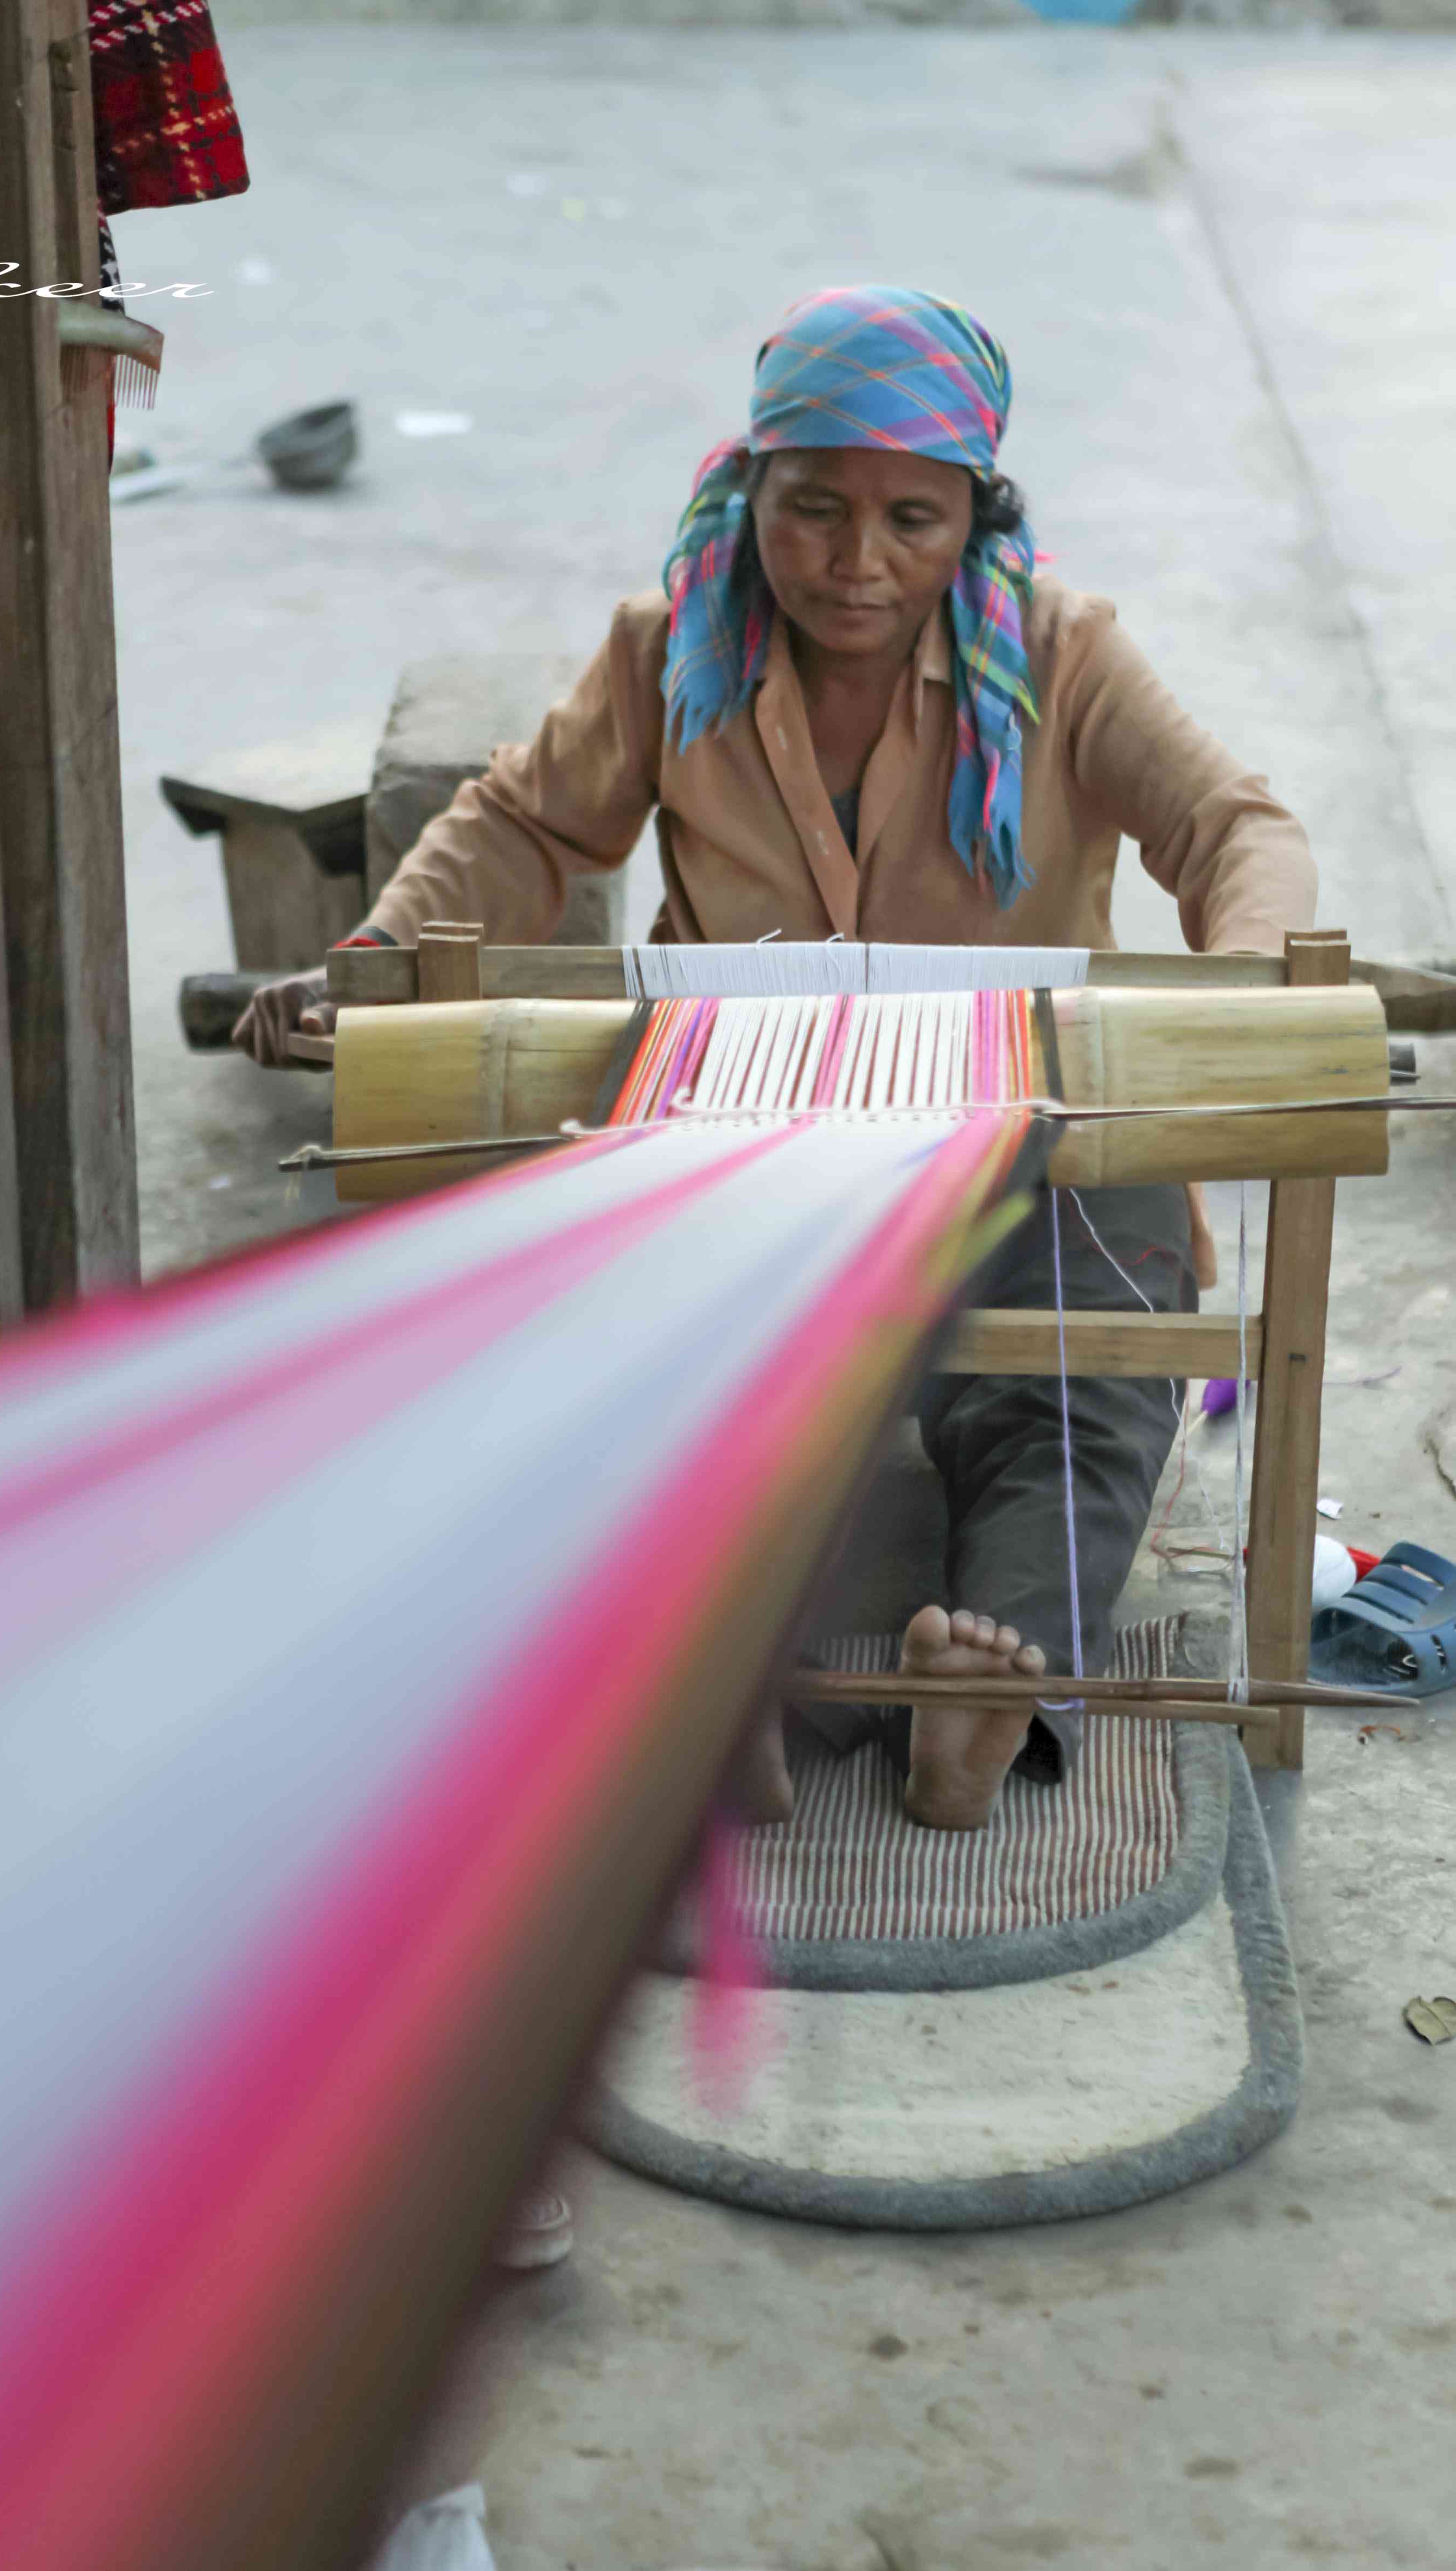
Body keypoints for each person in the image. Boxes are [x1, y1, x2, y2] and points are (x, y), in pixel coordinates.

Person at [235, 284, 1315, 1832]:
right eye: (811, 510)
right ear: (751, 495)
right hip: (748, 1136)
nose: (856, 564)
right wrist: (374, 973)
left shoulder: (1064, 657)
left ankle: (989, 1688)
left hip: (1032, 1135)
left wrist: (1244, 1000)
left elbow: (1234, 828)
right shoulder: (675, 650)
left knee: (1087, 1383)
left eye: (911, 521)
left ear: (974, 517)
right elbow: (523, 825)